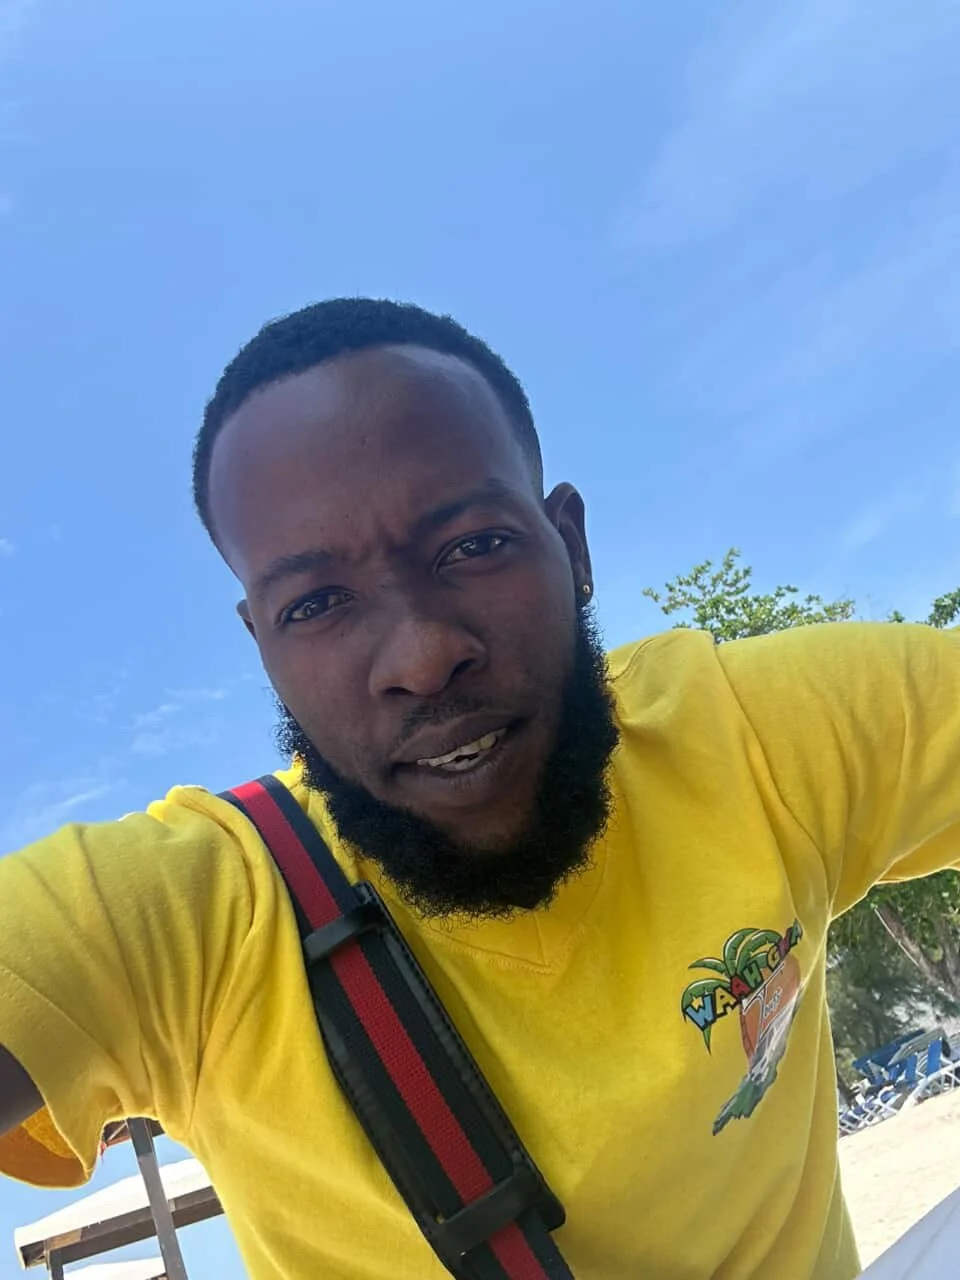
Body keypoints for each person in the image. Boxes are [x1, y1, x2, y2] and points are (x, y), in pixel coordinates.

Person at [0, 297, 957, 1280]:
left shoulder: (747, 738)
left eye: (472, 545)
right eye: (317, 602)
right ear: (264, 646)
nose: (420, 655)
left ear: (572, 546)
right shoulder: (191, 919)